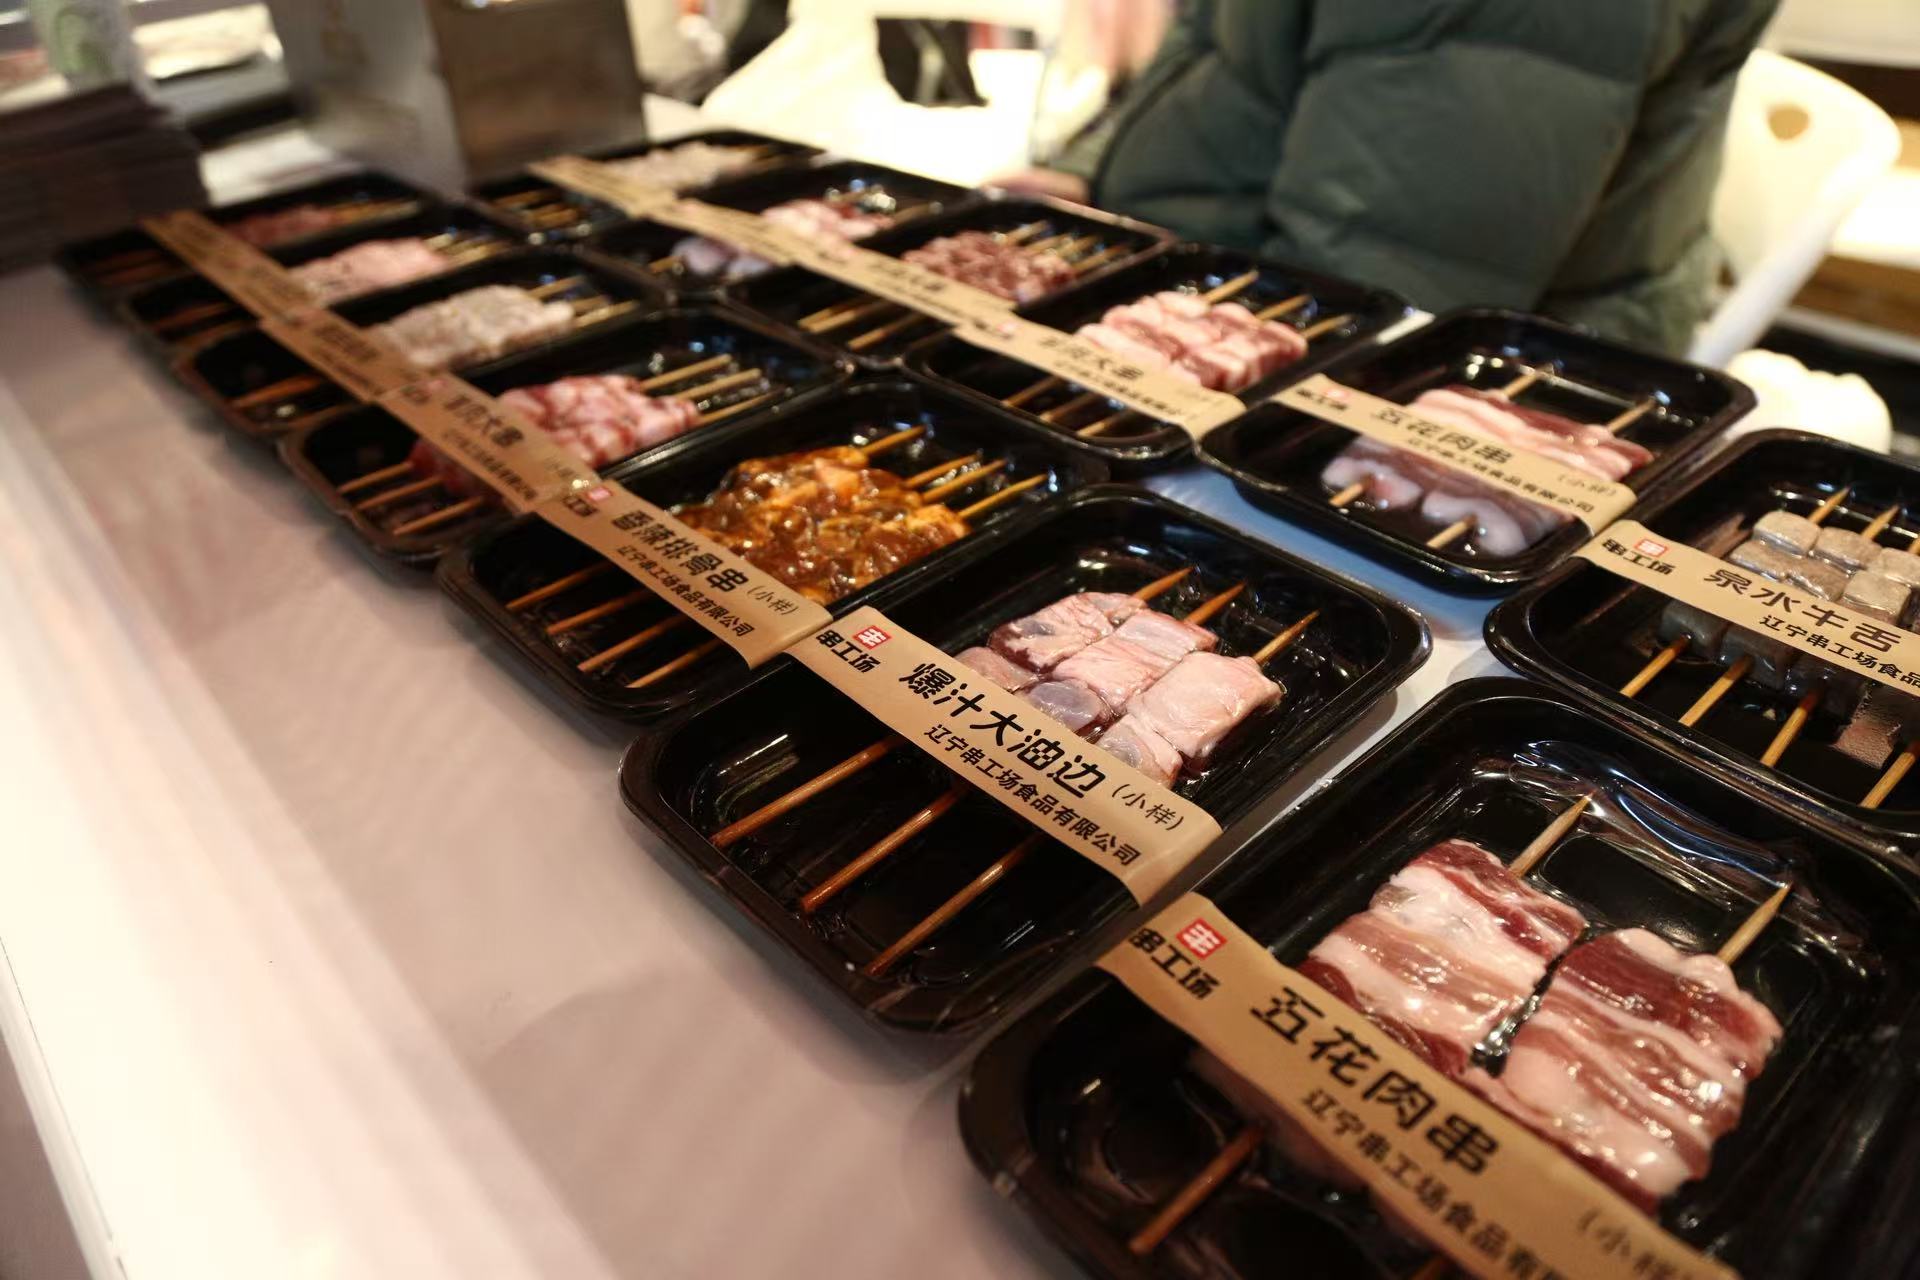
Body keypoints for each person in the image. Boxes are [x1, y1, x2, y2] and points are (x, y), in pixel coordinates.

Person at [999, 0, 1780, 356]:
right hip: (1232, 280)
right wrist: (1089, 177)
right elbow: (1220, 49)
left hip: (1484, 378)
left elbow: (1380, 287)